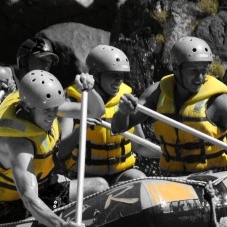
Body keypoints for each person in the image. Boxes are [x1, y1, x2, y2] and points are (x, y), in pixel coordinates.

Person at [0, 70, 109, 227]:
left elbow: (96, 112)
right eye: (47, 110)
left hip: (42, 190)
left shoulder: (43, 106)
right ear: (27, 107)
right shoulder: (18, 143)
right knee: (46, 222)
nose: (53, 114)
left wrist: (90, 90)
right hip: (7, 207)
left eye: (56, 108)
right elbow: (29, 198)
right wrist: (61, 225)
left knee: (99, 186)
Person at [111, 36, 227, 175]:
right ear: (176, 69)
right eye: (193, 71)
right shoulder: (157, 93)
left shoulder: (221, 102)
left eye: (203, 71)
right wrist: (123, 112)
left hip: (213, 176)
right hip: (171, 176)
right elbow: (118, 127)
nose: (200, 78)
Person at [65, 45, 161, 184]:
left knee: (139, 179)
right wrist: (80, 129)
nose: (119, 81)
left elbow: (139, 146)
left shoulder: (125, 100)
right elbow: (62, 152)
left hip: (121, 173)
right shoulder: (73, 100)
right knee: (101, 185)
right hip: (85, 177)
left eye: (121, 75)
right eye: (113, 75)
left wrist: (169, 153)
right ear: (95, 75)